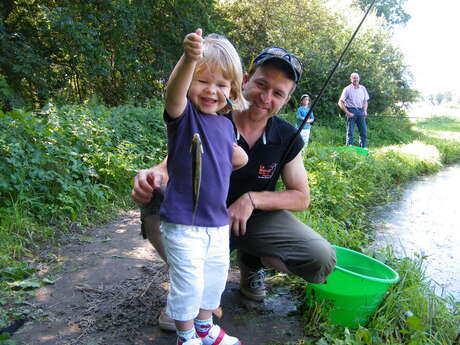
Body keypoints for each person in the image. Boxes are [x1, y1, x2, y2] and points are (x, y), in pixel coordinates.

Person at [132, 46, 336, 332]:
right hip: (199, 218)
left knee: (320, 257)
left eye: (278, 93)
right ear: (244, 80)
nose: (266, 98)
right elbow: (172, 163)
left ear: (287, 99)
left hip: (252, 221)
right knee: (154, 195)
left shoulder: (287, 136)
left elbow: (301, 196)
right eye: (262, 84)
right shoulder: (213, 113)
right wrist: (150, 175)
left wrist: (251, 199)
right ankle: (189, 286)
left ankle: (252, 262)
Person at [158, 28, 248, 345]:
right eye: (203, 80)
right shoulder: (184, 118)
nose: (212, 90)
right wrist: (188, 58)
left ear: (233, 91)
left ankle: (205, 328)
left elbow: (227, 157)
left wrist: (238, 158)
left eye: (222, 85)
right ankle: (185, 335)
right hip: (184, 222)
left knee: (213, 279)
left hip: (217, 222)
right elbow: (173, 94)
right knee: (189, 283)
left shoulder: (226, 125)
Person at [338, 72, 370, 148]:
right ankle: (349, 149)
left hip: (361, 111)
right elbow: (340, 102)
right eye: (354, 78)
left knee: (363, 132)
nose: (355, 79)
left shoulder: (363, 88)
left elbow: (365, 101)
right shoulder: (347, 89)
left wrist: (365, 110)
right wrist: (347, 112)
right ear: (351, 79)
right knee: (350, 132)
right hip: (351, 111)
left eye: (357, 78)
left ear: (359, 79)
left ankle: (363, 148)